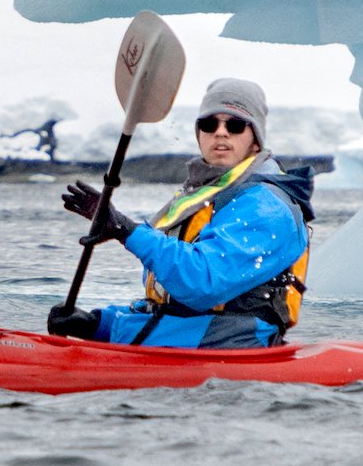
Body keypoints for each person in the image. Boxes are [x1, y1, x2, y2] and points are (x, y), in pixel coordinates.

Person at [47, 78, 314, 348]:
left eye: (235, 125)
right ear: (199, 135)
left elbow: (202, 282)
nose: (221, 132)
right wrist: (100, 324)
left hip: (232, 351)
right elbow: (173, 311)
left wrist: (126, 230)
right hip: (191, 342)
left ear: (255, 140)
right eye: (210, 124)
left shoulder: (266, 206)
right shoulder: (202, 196)